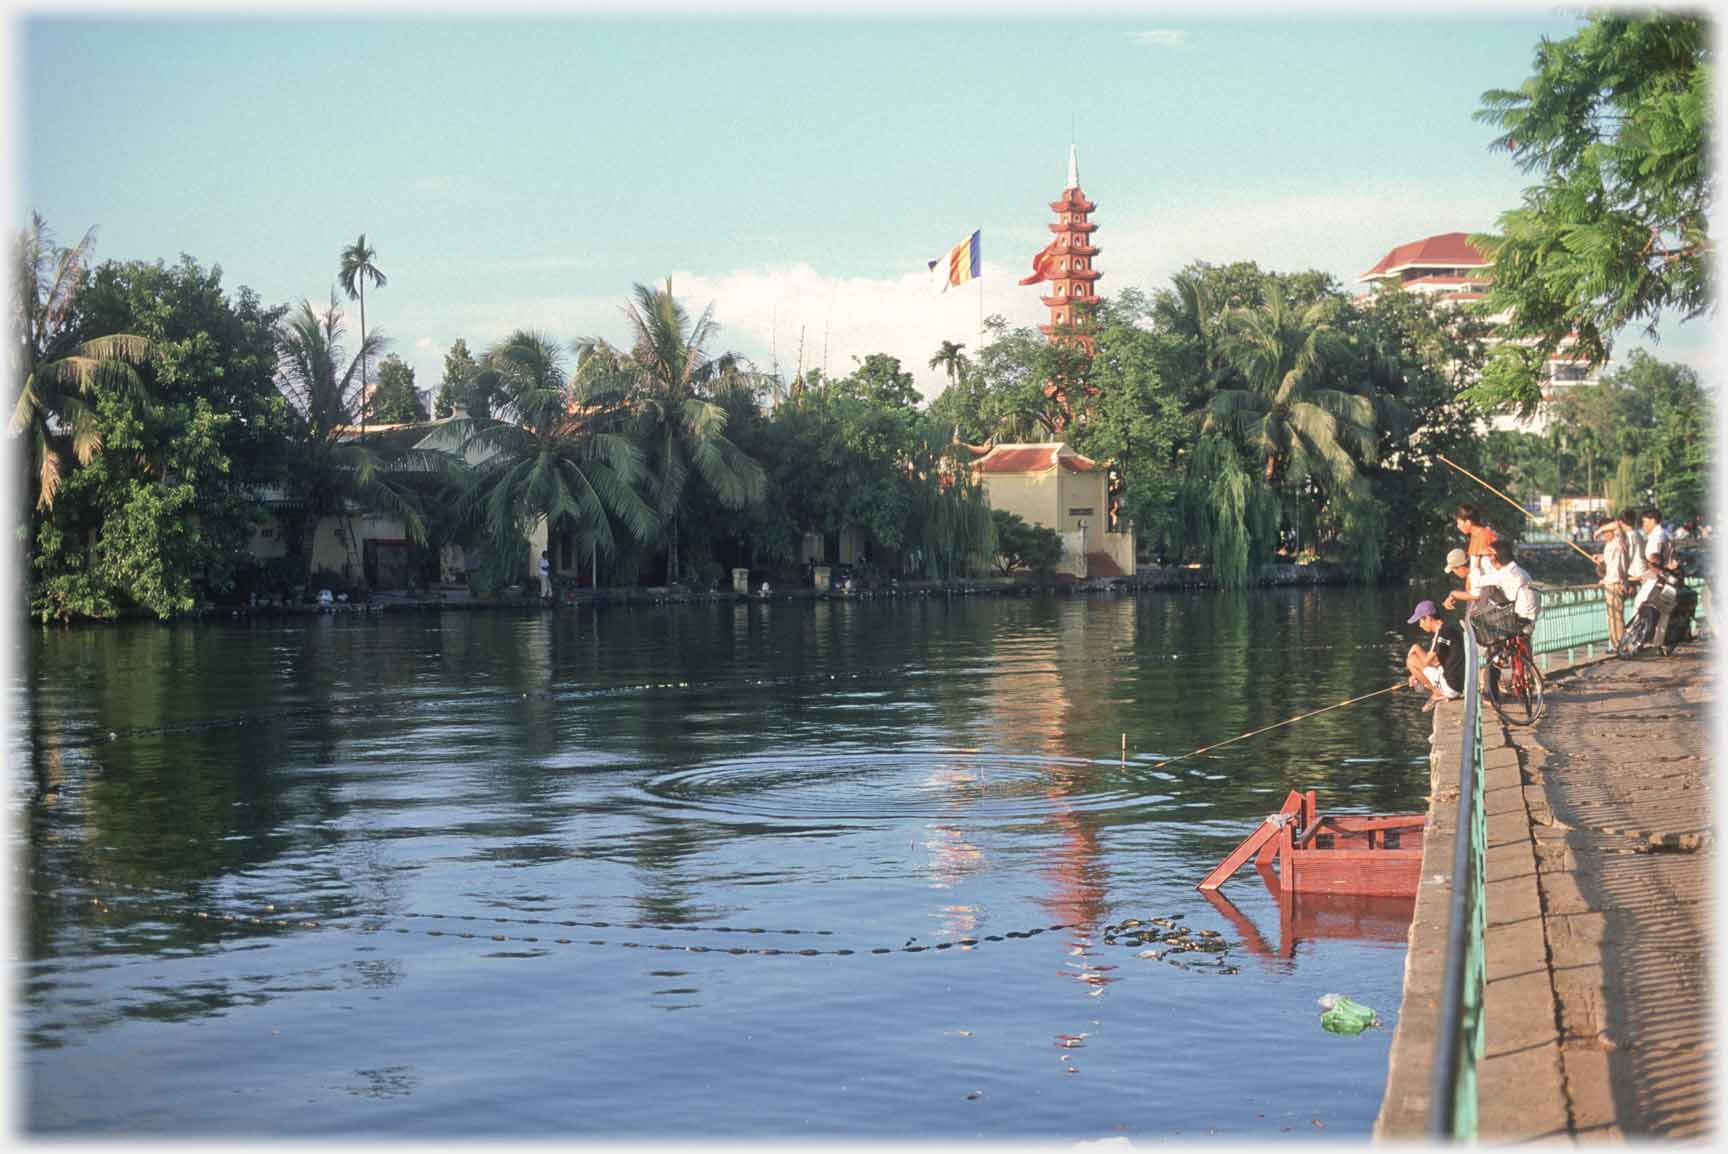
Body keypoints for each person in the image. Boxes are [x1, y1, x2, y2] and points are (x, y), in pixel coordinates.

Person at [1447, 538, 1539, 631]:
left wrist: (1477, 557)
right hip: (1528, 612)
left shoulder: (1504, 574)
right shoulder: (1518, 571)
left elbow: (1476, 585)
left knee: (1482, 622)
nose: (1489, 560)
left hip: (1520, 616)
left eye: (1490, 557)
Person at [1405, 600, 1466, 713]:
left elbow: (1426, 662)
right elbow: (1436, 661)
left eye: (1420, 621)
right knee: (1417, 661)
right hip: (1459, 684)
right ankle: (1438, 690)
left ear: (1428, 618)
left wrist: (1415, 648)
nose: (1420, 625)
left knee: (1411, 660)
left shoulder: (1441, 634)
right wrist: (1416, 674)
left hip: (1452, 687)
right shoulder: (1450, 630)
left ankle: (1436, 692)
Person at [1593, 517, 1634, 651]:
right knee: (1611, 617)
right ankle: (1616, 645)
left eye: (1606, 531)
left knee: (1617, 617)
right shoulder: (1609, 545)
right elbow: (1613, 564)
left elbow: (1617, 524)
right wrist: (1601, 558)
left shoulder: (1619, 540)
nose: (1604, 534)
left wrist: (1600, 530)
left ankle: (1622, 647)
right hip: (1609, 582)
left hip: (1617, 583)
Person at [1454, 504, 1499, 590]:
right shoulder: (1474, 537)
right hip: (1475, 589)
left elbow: (1488, 568)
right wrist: (1466, 571)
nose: (1458, 526)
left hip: (1484, 590)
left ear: (1468, 522)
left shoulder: (1485, 535)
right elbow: (1477, 567)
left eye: (1459, 523)